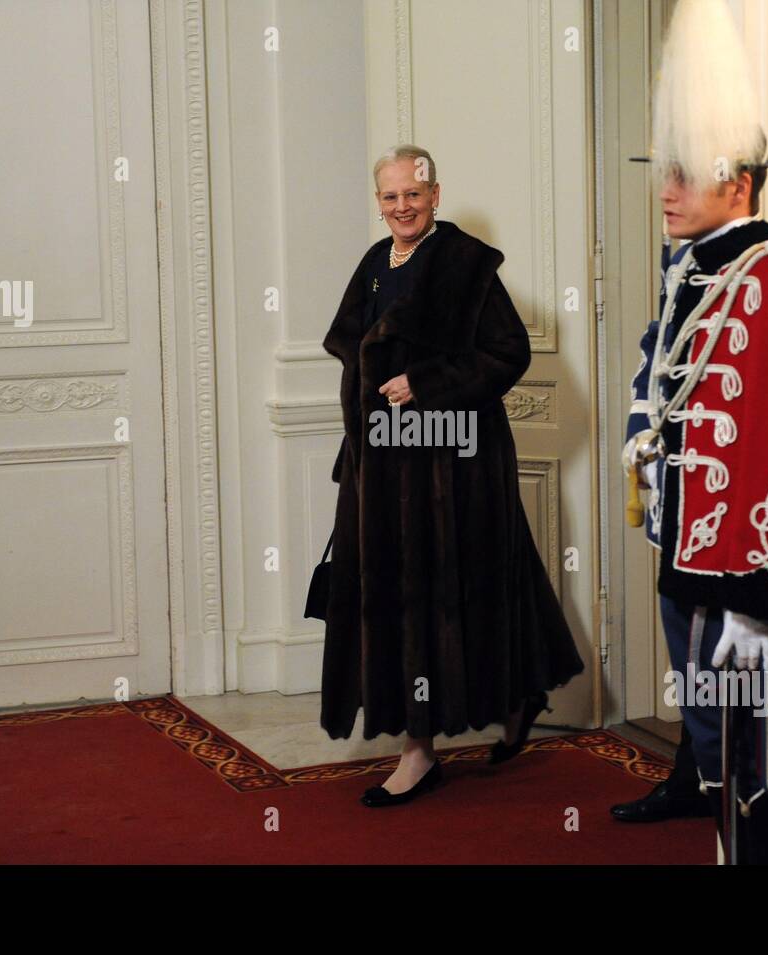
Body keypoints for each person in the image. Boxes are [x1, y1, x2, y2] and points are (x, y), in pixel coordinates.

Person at [617, 0, 768, 863]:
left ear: (739, 182)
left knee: (766, 761)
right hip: (685, 553)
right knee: (717, 746)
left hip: (749, 575)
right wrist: (643, 422)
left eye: (686, 172)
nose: (665, 190)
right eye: (664, 169)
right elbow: (662, 362)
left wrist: (760, 594)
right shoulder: (697, 269)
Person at [320, 145, 585, 807]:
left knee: (450, 595)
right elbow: (357, 358)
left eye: (413, 194)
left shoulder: (465, 264)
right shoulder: (375, 263)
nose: (401, 207)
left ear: (435, 195)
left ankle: (419, 752)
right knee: (409, 597)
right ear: (378, 201)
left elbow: (508, 353)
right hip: (384, 464)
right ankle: (516, 691)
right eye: (390, 197)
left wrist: (428, 382)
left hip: (453, 466)